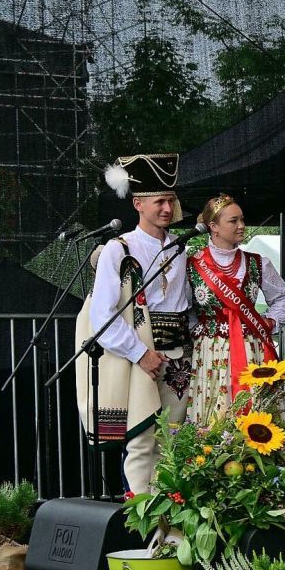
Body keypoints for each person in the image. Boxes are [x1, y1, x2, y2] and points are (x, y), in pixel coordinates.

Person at [77, 152, 193, 493]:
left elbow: (186, 305)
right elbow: (102, 314)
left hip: (179, 356)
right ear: (138, 204)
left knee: (172, 441)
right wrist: (140, 353)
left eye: (170, 201)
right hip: (142, 353)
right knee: (142, 441)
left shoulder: (180, 249)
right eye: (159, 202)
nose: (167, 209)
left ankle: (169, 517)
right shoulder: (119, 249)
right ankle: (143, 516)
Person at [185, 194, 285, 424]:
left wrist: (269, 322)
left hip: (251, 350)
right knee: (212, 416)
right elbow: (185, 309)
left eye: (242, 219)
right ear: (213, 227)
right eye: (233, 220)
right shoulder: (193, 265)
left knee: (255, 418)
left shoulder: (257, 263)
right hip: (210, 353)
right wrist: (200, 332)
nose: (241, 225)